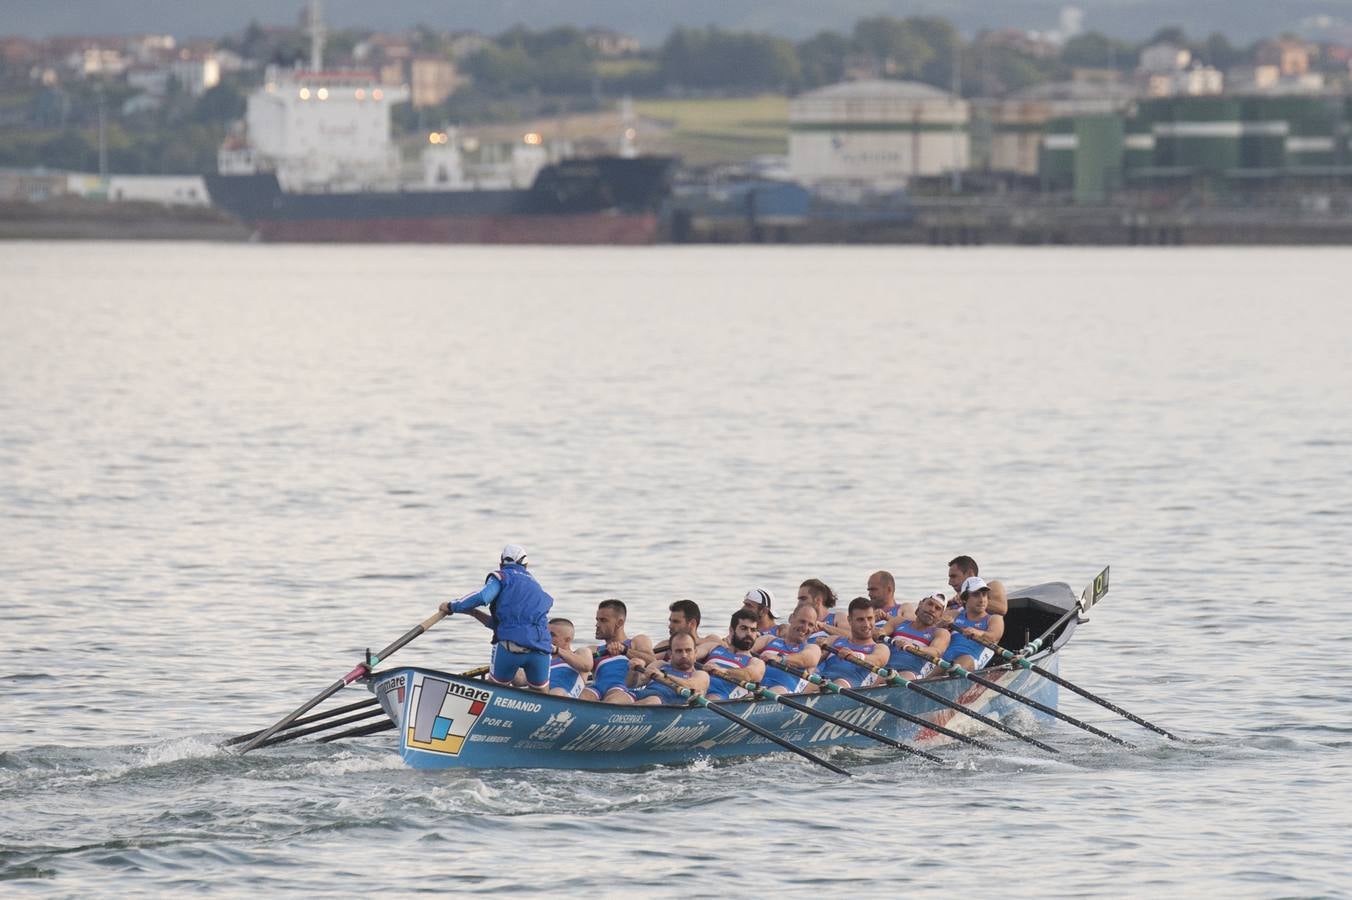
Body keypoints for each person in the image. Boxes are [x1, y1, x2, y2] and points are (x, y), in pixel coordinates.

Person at [441, 544, 553, 691]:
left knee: (495, 690)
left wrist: (452, 606)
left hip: (509, 649)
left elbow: (483, 597)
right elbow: (513, 625)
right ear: (526, 565)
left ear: (501, 564)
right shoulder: (536, 586)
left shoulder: (501, 576)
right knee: (542, 694)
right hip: (540, 648)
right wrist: (473, 613)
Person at [580, 598, 654, 703]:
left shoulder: (637, 641)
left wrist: (625, 650)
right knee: (582, 696)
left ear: (619, 622)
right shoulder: (593, 650)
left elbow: (652, 661)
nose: (597, 625)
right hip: (596, 689)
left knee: (613, 699)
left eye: (603, 620)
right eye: (597, 620)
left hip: (624, 691)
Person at [815, 597, 890, 688]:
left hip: (848, 686)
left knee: (840, 683)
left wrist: (855, 655)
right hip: (823, 682)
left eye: (870, 618)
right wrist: (816, 648)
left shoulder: (880, 648)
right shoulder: (834, 640)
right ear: (849, 620)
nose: (866, 624)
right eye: (860, 620)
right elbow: (812, 662)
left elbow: (877, 660)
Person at [751, 604, 822, 693]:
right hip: (754, 687)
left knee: (779, 690)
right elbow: (745, 650)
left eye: (810, 625)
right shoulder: (768, 639)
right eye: (802, 621)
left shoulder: (812, 648)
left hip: (782, 692)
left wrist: (780, 659)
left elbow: (807, 659)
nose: (805, 628)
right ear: (791, 618)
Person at [699, 608, 767, 700]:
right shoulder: (713, 647)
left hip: (717, 697)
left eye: (753, 630)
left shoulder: (756, 662)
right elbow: (691, 655)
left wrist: (723, 670)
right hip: (697, 687)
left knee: (711, 698)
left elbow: (749, 675)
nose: (749, 633)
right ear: (731, 630)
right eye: (744, 628)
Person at [628, 632, 710, 705]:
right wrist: (633, 672)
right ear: (670, 654)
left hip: (661, 703)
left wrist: (664, 676)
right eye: (679, 651)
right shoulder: (659, 664)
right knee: (619, 695)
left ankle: (621, 715)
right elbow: (633, 684)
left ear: (695, 653)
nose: (684, 655)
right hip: (642, 695)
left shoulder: (701, 674)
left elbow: (691, 685)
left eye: (688, 650)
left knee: (653, 700)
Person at [882, 593, 951, 678]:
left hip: (910, 673)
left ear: (941, 616)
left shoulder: (940, 633)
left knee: (905, 677)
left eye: (937, 608)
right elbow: (879, 633)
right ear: (920, 604)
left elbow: (936, 652)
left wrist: (914, 647)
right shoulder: (898, 621)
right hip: (884, 668)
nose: (932, 610)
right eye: (930, 604)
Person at [942, 577, 1005, 670]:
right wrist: (941, 625)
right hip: (945, 659)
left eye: (984, 595)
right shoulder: (955, 614)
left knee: (964, 660)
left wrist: (979, 633)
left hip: (970, 660)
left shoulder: (994, 619)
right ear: (964, 599)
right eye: (976, 595)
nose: (982, 600)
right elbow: (932, 626)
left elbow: (994, 636)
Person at [546, 618, 593, 698]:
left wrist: (556, 650)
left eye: (552, 635)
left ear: (567, 640)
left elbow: (586, 666)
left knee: (557, 692)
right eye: (545, 633)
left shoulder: (580, 653)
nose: (546, 637)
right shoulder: (543, 659)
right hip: (541, 694)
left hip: (565, 698)